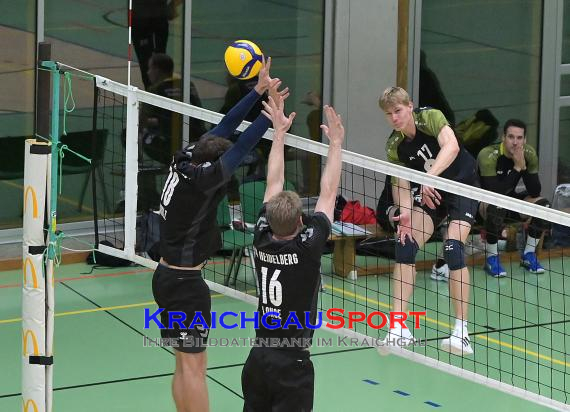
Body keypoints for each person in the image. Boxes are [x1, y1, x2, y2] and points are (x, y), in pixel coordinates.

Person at [151, 58, 285, 412]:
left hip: (165, 278)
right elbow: (240, 148)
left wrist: (257, 92)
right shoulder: (206, 181)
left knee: (183, 364)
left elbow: (224, 129)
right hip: (185, 286)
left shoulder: (185, 158)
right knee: (195, 367)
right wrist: (271, 115)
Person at [241, 97, 345, 411]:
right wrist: (336, 143)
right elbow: (329, 192)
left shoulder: (261, 235)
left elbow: (274, 182)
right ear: (300, 222)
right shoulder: (307, 246)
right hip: (292, 363)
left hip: (258, 359)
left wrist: (279, 133)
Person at [378, 86, 479, 356]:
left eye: (398, 111)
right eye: (389, 114)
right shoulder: (394, 145)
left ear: (410, 106)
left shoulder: (430, 117)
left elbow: (452, 146)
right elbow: (400, 183)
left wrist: (428, 178)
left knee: (453, 248)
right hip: (430, 191)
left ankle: (461, 332)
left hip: (462, 186)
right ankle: (398, 326)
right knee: (405, 242)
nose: (394, 118)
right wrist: (406, 214)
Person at [477, 119, 550, 277]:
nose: (515, 143)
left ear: (525, 140)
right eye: (511, 137)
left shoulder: (528, 153)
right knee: (496, 206)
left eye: (519, 138)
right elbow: (494, 193)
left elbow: (535, 191)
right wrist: (517, 168)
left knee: (544, 207)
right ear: (503, 138)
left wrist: (524, 166)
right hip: (484, 204)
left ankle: (528, 255)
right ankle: (491, 257)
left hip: (510, 202)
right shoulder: (488, 154)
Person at [376, 177, 450, 281]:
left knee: (455, 217)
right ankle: (404, 262)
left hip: (427, 206)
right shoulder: (400, 163)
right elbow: (400, 198)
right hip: (394, 207)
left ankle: (443, 264)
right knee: (406, 245)